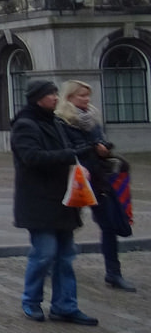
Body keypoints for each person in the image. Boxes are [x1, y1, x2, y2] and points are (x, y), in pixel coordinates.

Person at [12, 78, 102, 324]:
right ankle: (31, 300)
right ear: (37, 98)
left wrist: (86, 154)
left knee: (65, 256)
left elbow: (71, 149)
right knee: (44, 253)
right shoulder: (25, 124)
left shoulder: (56, 122)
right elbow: (31, 158)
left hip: (62, 199)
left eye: (55, 93)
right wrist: (70, 155)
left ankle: (65, 305)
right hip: (38, 200)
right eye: (50, 94)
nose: (55, 97)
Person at [57, 80, 135, 292]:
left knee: (108, 224)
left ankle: (113, 273)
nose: (86, 99)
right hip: (74, 179)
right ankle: (53, 264)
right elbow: (66, 150)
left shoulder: (92, 118)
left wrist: (104, 148)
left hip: (98, 178)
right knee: (65, 225)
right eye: (82, 95)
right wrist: (92, 147)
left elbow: (103, 142)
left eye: (87, 95)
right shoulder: (61, 121)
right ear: (70, 97)